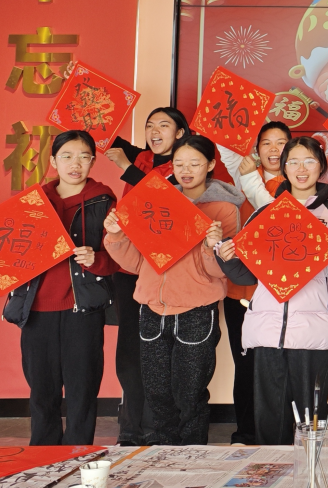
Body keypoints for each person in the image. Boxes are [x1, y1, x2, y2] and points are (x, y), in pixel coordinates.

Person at [214, 137, 328, 446]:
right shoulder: (265, 213)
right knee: (269, 416)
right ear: (284, 168)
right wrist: (226, 258)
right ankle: (272, 468)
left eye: (309, 161)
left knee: (310, 417)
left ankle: (309, 468)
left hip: (315, 328)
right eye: (293, 162)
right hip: (267, 326)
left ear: (321, 166)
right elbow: (248, 273)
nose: (301, 169)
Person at [103, 134, 243, 445]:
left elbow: (221, 270)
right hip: (152, 306)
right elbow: (136, 263)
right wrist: (116, 236)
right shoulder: (156, 202)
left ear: (210, 165)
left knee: (190, 391)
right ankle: (160, 452)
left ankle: (191, 454)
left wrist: (210, 246)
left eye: (194, 163)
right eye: (179, 164)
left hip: (196, 310)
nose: (186, 170)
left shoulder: (223, 209)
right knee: (156, 390)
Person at [4, 131, 117, 446]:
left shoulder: (104, 201)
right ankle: (42, 455)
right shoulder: (33, 202)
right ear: (53, 161)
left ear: (93, 161)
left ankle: (78, 454)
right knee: (42, 391)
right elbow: (11, 253)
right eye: (66, 156)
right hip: (36, 309)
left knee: (83, 389)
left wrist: (96, 259)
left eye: (83, 156)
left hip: (83, 309)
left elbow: (120, 259)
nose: (75, 163)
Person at [102, 106, 189, 445]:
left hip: (164, 270)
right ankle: (130, 426)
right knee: (129, 349)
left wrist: (126, 169)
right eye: (150, 125)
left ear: (180, 133)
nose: (154, 131)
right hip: (128, 267)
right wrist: (80, 91)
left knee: (160, 349)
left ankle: (158, 426)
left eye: (164, 125)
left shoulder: (183, 166)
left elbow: (166, 200)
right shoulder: (141, 157)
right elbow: (104, 132)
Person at [216, 120, 290, 445]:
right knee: (245, 364)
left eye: (281, 142)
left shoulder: (298, 184)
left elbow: (275, 216)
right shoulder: (244, 175)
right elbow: (227, 149)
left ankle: (279, 434)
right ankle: (245, 432)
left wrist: (250, 178)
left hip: (279, 292)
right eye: (267, 143)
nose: (274, 149)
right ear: (257, 149)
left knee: (278, 366)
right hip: (241, 289)